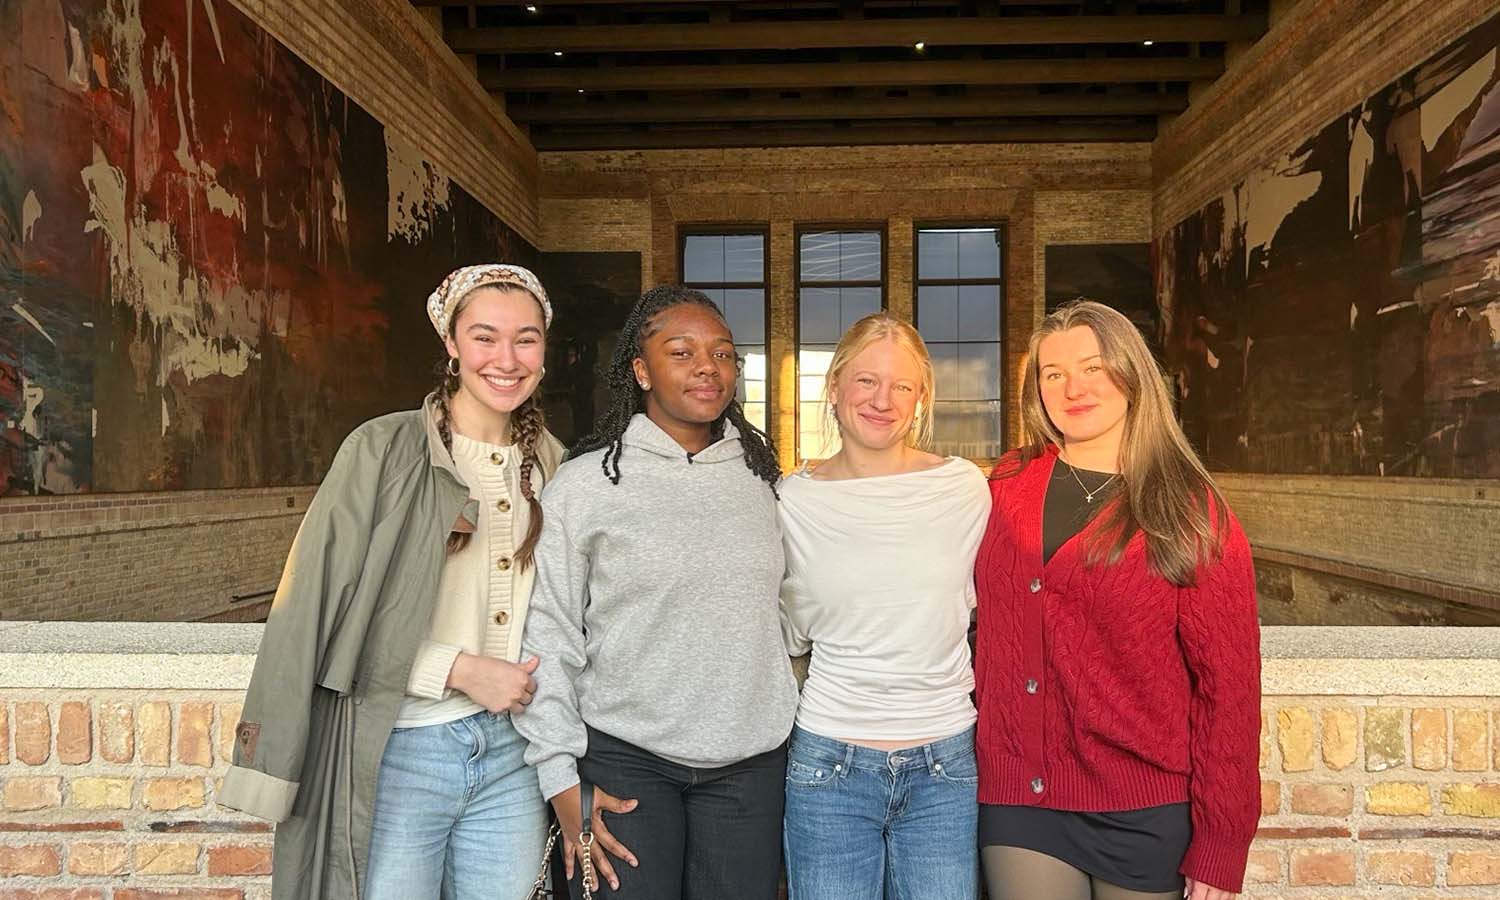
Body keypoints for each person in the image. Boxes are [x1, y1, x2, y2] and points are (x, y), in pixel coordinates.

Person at [219, 265, 567, 900]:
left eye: (526, 339)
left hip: (517, 755)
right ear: (451, 343)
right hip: (400, 748)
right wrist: (459, 669)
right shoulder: (382, 450)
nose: (507, 359)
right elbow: (318, 611)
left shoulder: (554, 464)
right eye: (485, 337)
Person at [514, 285, 799, 900]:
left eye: (722, 353)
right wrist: (560, 778)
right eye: (682, 352)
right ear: (641, 371)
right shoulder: (586, 485)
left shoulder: (764, 483)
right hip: (625, 760)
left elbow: (789, 613)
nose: (707, 367)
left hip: (749, 770)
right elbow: (548, 635)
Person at [974, 300, 1261, 900]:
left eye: (1093, 367)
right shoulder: (1006, 485)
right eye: (1054, 373)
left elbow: (1229, 686)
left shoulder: (1190, 510)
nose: (1074, 388)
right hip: (1021, 795)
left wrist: (1222, 839)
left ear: (1131, 373)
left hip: (1144, 806)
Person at [778, 314, 991, 900]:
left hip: (945, 764)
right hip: (829, 762)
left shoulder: (963, 489)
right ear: (834, 386)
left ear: (921, 399)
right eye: (867, 381)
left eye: (902, 386)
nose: (882, 401)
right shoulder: (792, 501)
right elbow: (789, 630)